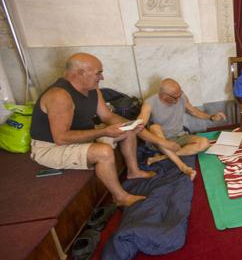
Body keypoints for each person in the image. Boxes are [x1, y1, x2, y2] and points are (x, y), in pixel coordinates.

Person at [30, 53, 154, 207]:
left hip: (78, 137)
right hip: (51, 148)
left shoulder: (93, 89)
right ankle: (120, 197)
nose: (101, 78)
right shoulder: (59, 96)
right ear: (81, 73)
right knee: (103, 152)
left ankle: (133, 172)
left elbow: (107, 116)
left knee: (125, 130)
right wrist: (104, 132)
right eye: (98, 73)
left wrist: (132, 125)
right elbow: (61, 138)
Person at [137, 78, 226, 181]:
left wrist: (211, 117)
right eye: (176, 97)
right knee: (154, 127)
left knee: (204, 143)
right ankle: (183, 167)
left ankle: (162, 157)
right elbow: (140, 124)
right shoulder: (150, 102)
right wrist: (164, 142)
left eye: (180, 94)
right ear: (163, 95)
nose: (179, 98)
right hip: (160, 141)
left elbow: (193, 111)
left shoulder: (181, 97)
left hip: (180, 136)